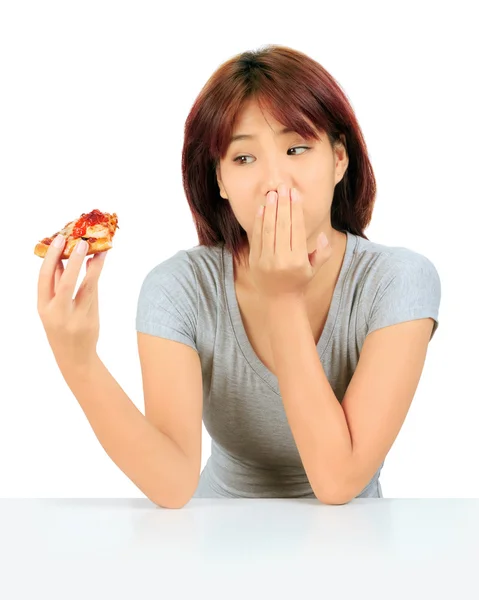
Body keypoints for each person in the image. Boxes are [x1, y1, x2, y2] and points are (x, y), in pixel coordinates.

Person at [37, 45, 441, 509]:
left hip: (351, 543)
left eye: (297, 148)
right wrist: (79, 361)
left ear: (339, 159)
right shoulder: (179, 287)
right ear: (221, 182)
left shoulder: (399, 280)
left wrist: (283, 300)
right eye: (244, 159)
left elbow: (338, 482)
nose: (275, 180)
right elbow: (171, 484)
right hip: (212, 537)